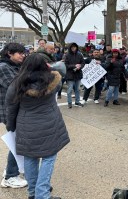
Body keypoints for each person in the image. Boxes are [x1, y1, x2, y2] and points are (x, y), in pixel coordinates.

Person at [6, 53, 69, 199]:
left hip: (26, 125)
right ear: (45, 66)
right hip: (49, 124)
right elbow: (60, 70)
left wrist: (11, 126)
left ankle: (33, 193)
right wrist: (50, 67)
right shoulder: (54, 81)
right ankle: (42, 194)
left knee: (30, 158)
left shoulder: (17, 84)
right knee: (48, 158)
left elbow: (11, 107)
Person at [0, 43, 28, 189]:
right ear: (10, 53)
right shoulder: (4, 68)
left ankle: (11, 171)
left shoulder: (14, 66)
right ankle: (10, 176)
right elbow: (17, 87)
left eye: (23, 53)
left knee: (17, 141)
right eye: (19, 53)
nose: (23, 55)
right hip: (10, 111)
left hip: (16, 109)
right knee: (17, 143)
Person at [64, 42, 85, 108]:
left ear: (76, 47)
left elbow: (83, 63)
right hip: (70, 75)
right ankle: (69, 103)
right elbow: (66, 65)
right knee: (70, 89)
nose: (73, 48)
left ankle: (77, 102)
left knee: (77, 89)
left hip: (78, 74)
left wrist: (80, 66)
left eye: (74, 47)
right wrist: (74, 66)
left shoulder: (80, 54)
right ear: (70, 48)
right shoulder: (67, 55)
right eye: (72, 47)